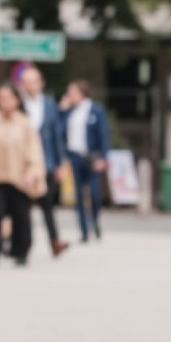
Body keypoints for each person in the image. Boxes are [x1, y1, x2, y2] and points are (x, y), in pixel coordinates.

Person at [0, 83, 47, 266]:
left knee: (21, 217)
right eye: (0, 98)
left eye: (7, 97)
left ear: (16, 100)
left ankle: (20, 252)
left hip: (19, 179)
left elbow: (35, 152)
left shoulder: (25, 124)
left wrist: (33, 172)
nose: (3, 101)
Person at [19, 65, 69, 257]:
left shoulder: (49, 104)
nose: (30, 86)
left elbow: (57, 134)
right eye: (27, 82)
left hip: (46, 162)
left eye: (34, 82)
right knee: (22, 207)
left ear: (41, 83)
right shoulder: (18, 105)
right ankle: (23, 244)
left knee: (47, 205)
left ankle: (54, 241)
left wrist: (59, 163)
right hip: (24, 163)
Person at [61, 80, 110, 242]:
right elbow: (59, 131)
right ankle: (83, 230)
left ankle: (94, 220)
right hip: (75, 155)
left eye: (72, 92)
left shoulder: (96, 110)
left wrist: (104, 157)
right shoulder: (69, 112)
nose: (70, 96)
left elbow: (103, 134)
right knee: (79, 195)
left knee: (95, 194)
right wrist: (62, 110)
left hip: (92, 156)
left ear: (81, 93)